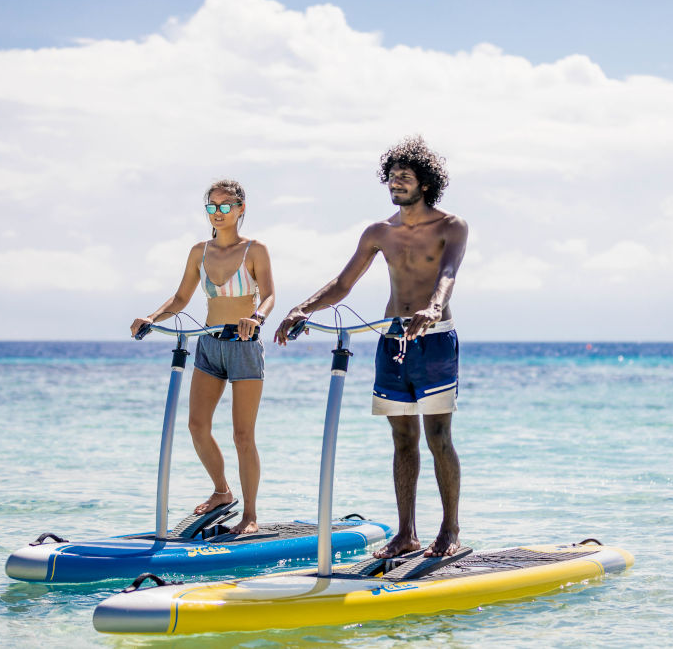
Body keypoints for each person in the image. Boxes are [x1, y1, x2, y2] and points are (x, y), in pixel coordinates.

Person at [275, 136, 468, 557]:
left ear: (426, 182)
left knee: (438, 436)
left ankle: (450, 530)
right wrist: (301, 309)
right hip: (392, 341)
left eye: (405, 176)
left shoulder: (451, 226)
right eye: (392, 176)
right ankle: (406, 533)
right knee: (402, 440)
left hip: (434, 342)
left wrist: (434, 307)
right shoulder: (379, 232)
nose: (396, 182)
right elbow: (344, 284)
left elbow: (449, 272)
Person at [131, 179, 274, 534]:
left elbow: (270, 295)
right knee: (197, 426)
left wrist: (257, 318)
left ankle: (251, 514)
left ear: (241, 209)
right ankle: (222, 491)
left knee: (243, 435)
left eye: (226, 206)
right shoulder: (199, 251)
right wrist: (152, 317)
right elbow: (180, 299)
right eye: (212, 206)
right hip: (208, 344)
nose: (218, 212)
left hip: (244, 346)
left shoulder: (255, 250)